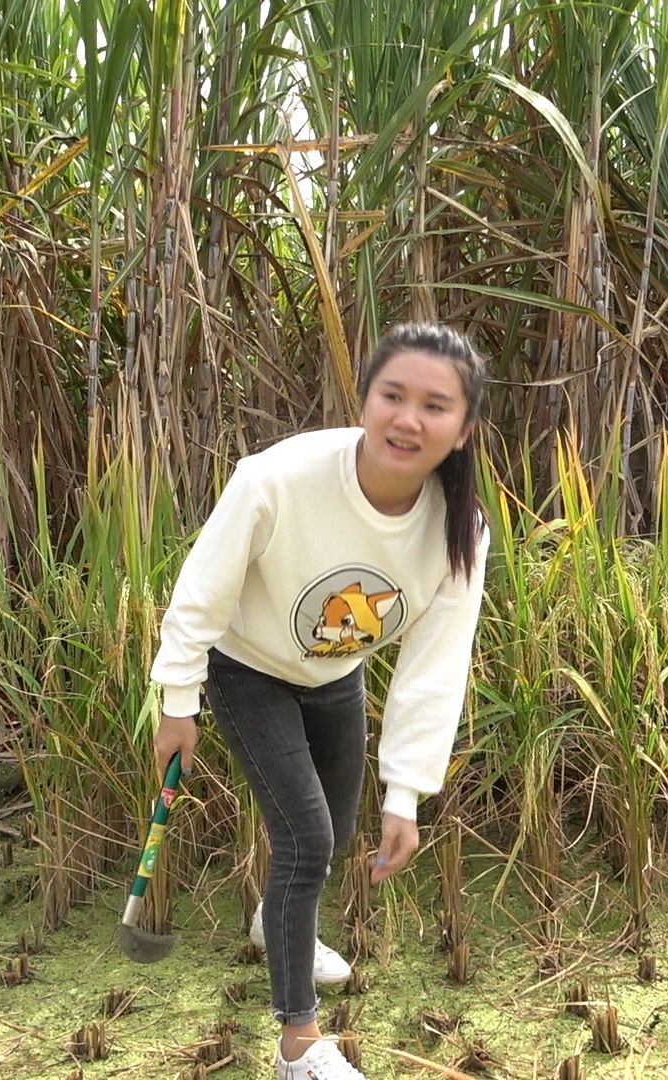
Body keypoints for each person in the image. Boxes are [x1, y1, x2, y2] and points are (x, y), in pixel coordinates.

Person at [148, 322, 491, 1080]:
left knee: (330, 832)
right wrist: (179, 699)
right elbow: (202, 591)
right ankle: (297, 1044)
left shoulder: (459, 529)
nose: (408, 419)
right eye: (392, 395)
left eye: (435, 406)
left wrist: (404, 795)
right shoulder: (280, 477)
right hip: (246, 667)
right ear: (363, 398)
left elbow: (434, 671)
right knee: (306, 840)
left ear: (464, 430)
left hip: (335, 676)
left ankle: (279, 926)